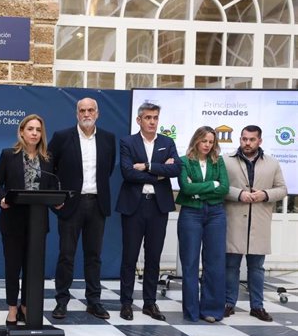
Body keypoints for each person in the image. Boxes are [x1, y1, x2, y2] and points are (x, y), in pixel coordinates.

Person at [48, 97, 116, 320]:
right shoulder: (61, 137)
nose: (86, 114)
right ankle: (61, 301)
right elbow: (49, 170)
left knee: (94, 256)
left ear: (97, 113)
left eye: (90, 110)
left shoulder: (108, 138)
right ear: (77, 114)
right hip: (71, 206)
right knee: (66, 256)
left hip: (97, 204)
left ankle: (94, 301)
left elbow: (108, 171)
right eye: (82, 110)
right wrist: (56, 198)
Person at [116, 102, 181, 321]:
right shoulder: (127, 141)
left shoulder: (167, 142)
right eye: (148, 118)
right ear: (139, 120)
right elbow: (127, 173)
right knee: (129, 257)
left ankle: (150, 303)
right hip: (134, 205)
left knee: (154, 257)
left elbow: (176, 169)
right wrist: (159, 173)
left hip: (158, 206)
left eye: (155, 117)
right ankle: (126, 303)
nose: (152, 121)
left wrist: (146, 166)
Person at [0, 114, 57, 325]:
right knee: (13, 267)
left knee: (33, 269)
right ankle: (12, 308)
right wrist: (2, 198)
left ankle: (26, 307)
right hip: (12, 221)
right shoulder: (8, 155)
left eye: (38, 130)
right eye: (30, 129)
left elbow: (51, 187)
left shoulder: (48, 158)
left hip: (37, 223)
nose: (34, 133)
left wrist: (56, 200)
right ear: (21, 132)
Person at [224, 125, 287, 322]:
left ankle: (257, 307)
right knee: (231, 266)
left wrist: (265, 194)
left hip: (259, 221)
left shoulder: (273, 163)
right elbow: (220, 186)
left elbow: (282, 189)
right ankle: (228, 304)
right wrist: (239, 194)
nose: (247, 143)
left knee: (257, 268)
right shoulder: (226, 161)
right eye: (244, 139)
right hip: (234, 219)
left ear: (259, 141)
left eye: (251, 139)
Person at [176, 126, 228, 323]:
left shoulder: (218, 161)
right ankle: (191, 311)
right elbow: (186, 188)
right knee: (189, 263)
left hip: (216, 214)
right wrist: (211, 185)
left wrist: (200, 190)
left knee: (215, 262)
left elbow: (223, 188)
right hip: (191, 212)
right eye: (204, 141)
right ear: (196, 140)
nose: (207, 145)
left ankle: (212, 311)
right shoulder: (184, 161)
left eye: (211, 141)